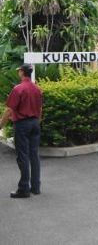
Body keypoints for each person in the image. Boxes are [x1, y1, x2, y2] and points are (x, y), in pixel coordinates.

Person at [0, 64, 43, 198]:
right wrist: (37, 121)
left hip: (22, 125)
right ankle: (35, 187)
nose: (18, 72)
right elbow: (40, 109)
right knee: (34, 155)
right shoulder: (37, 88)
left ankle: (24, 188)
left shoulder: (18, 89)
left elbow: (9, 109)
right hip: (35, 123)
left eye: (19, 70)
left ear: (22, 72)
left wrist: (1, 125)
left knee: (23, 156)